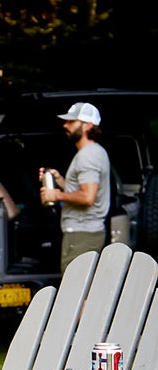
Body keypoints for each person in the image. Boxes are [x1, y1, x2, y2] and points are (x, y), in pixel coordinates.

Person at [39, 101, 110, 271]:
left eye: (71, 121)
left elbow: (87, 197)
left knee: (78, 293)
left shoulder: (88, 156)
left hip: (82, 234)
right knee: (81, 290)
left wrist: (55, 195)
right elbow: (84, 190)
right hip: (83, 233)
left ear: (88, 125)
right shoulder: (92, 152)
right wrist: (60, 180)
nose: (65, 125)